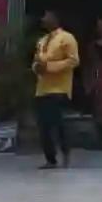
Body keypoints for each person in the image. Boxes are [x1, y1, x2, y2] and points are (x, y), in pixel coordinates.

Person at [32, 9, 79, 169]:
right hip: (42, 89)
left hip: (59, 89)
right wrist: (37, 68)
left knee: (59, 124)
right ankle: (50, 159)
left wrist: (50, 67)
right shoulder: (42, 41)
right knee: (43, 126)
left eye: (47, 16)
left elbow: (73, 61)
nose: (43, 19)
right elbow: (36, 62)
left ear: (55, 19)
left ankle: (66, 152)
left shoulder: (67, 38)